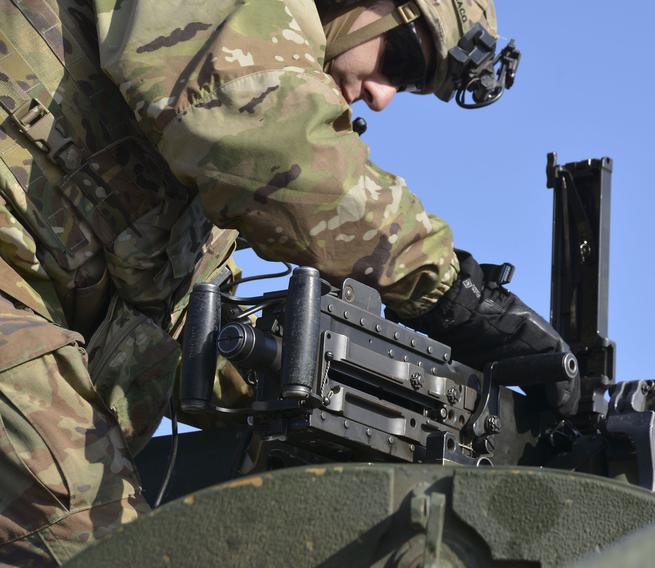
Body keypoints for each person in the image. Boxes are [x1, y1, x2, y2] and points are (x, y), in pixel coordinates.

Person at [0, 0, 576, 564]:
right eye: (400, 61)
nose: (383, 95)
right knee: (100, 539)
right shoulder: (231, 80)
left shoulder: (200, 185)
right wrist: (454, 296)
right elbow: (265, 131)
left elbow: (165, 323)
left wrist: (326, 382)